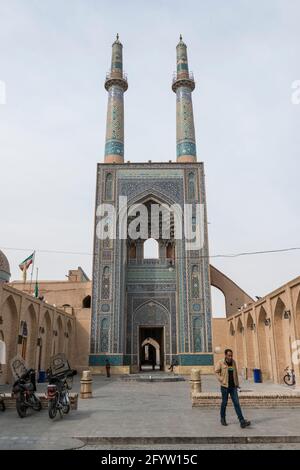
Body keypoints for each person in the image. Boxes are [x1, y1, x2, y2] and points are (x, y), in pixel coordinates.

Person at [215, 349, 251, 428]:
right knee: (224, 403)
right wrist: (221, 380)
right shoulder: (221, 362)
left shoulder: (233, 362)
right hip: (225, 386)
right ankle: (223, 418)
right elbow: (216, 371)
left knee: (237, 403)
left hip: (233, 387)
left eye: (231, 355)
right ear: (225, 355)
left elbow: (235, 374)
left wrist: (237, 384)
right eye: (229, 355)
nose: (230, 357)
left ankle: (242, 421)